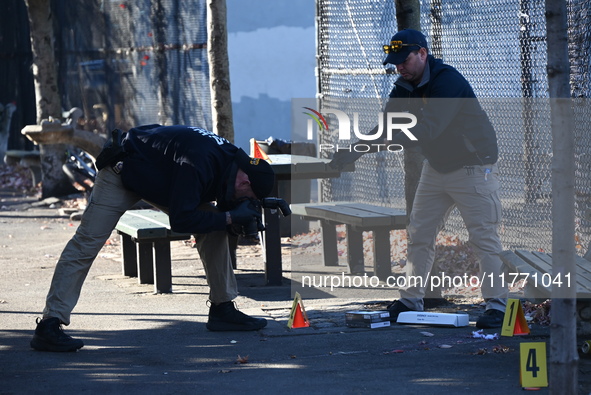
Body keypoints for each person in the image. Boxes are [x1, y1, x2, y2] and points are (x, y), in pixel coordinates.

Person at [30, 124, 276, 352]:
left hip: (161, 177)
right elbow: (182, 220)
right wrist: (232, 217)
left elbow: (216, 205)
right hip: (122, 171)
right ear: (244, 179)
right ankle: (49, 325)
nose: (245, 200)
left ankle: (223, 309)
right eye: (248, 195)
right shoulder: (199, 161)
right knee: (86, 242)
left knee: (215, 227)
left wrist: (250, 211)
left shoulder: (234, 163)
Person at [330, 29, 508, 329]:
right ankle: (410, 301)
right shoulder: (404, 85)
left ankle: (498, 307)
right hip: (437, 168)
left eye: (404, 59)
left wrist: (391, 137)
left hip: (472, 168)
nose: (398, 66)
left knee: (483, 238)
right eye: (395, 61)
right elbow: (386, 124)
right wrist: (353, 151)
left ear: (423, 54)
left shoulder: (447, 82)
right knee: (419, 233)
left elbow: (427, 130)